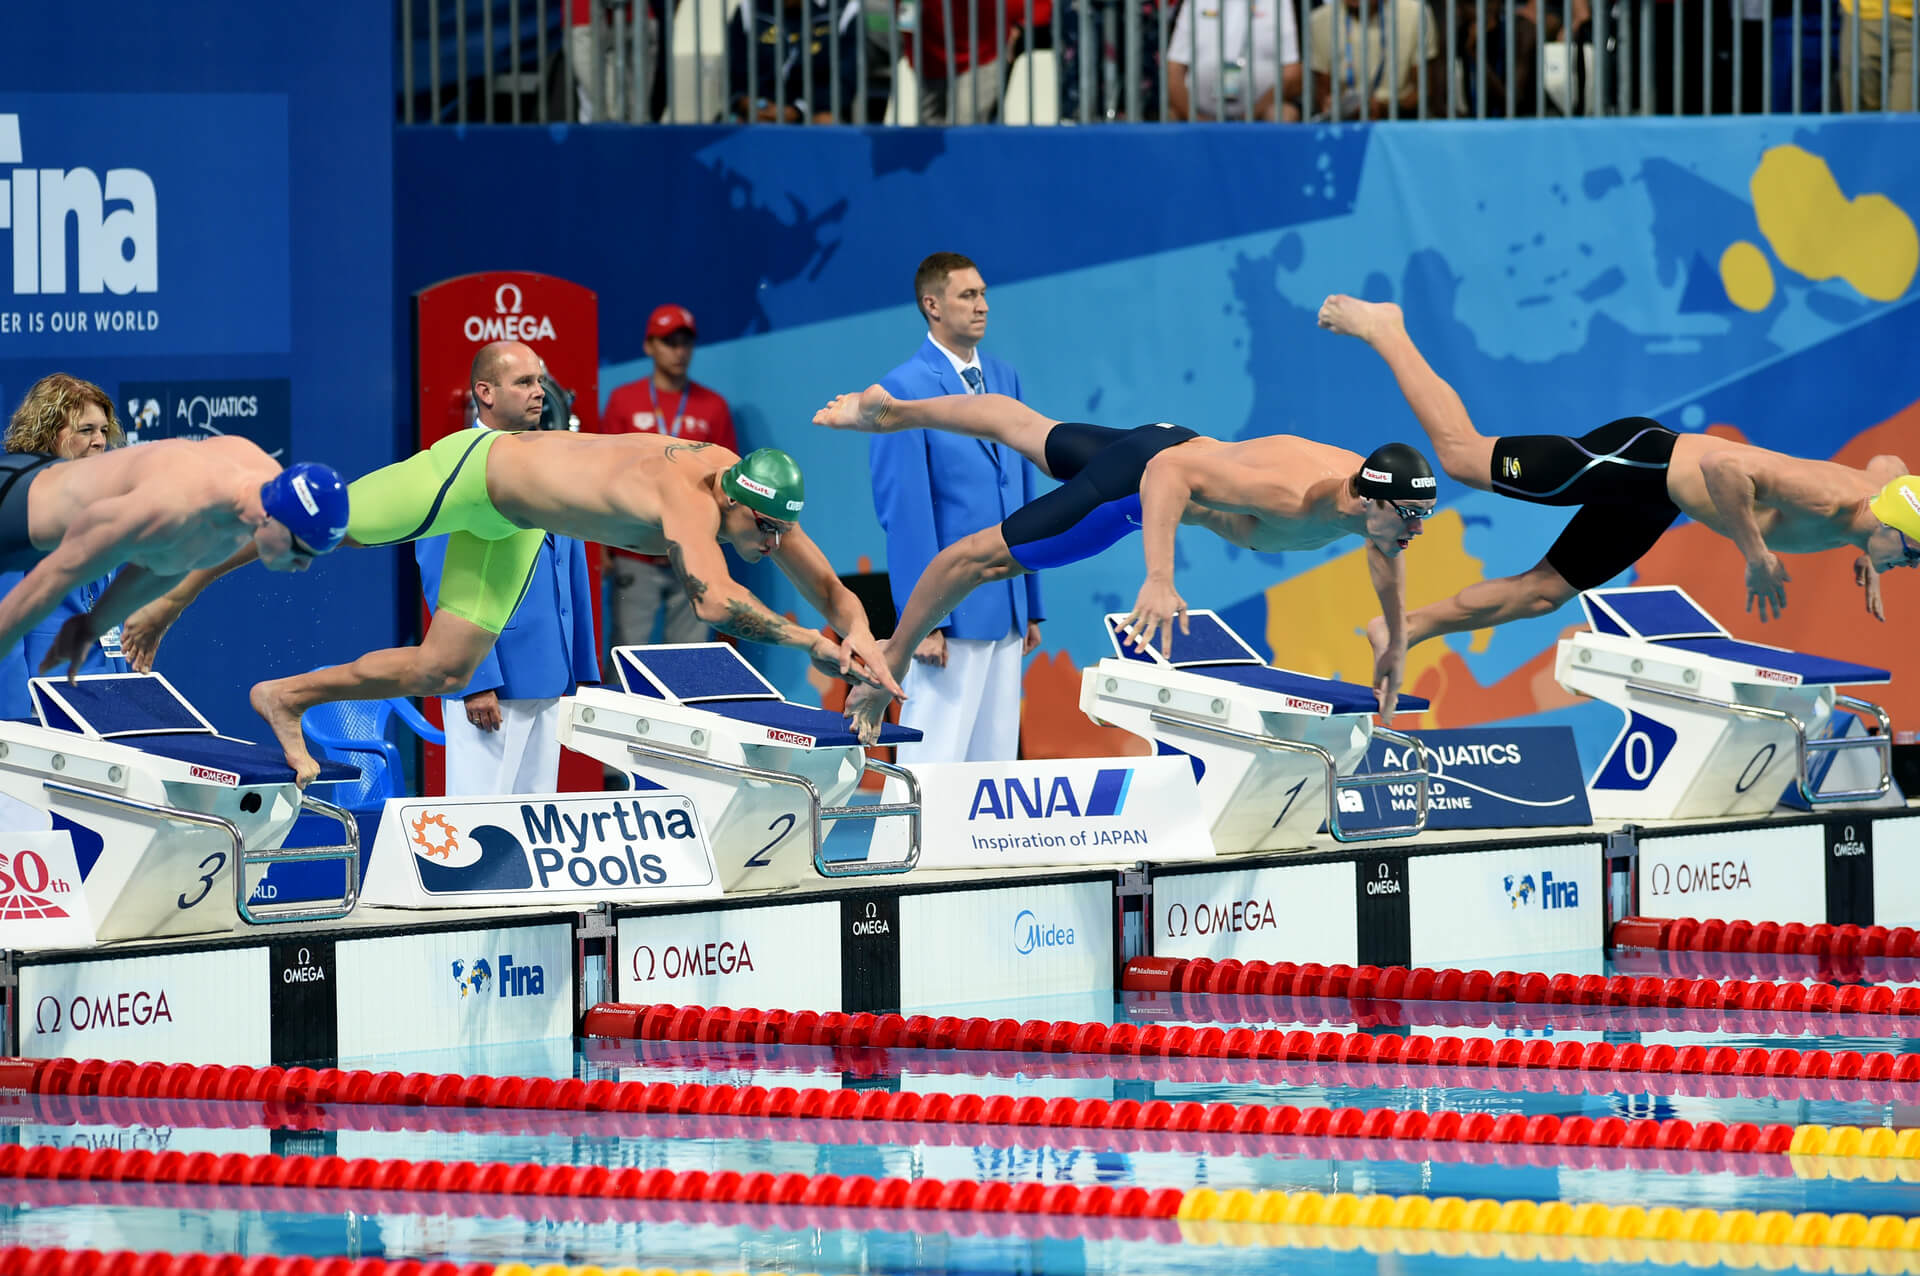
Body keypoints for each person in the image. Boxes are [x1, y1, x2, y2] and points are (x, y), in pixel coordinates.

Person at [124, 340, 901, 786]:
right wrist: (810, 644)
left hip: (519, 523)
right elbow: (714, 600)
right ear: (734, 501)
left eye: (776, 535)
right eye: (763, 532)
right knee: (305, 528)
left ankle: (286, 696)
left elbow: (834, 591)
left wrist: (863, 641)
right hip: (474, 476)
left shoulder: (750, 493)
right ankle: (170, 598)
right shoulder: (690, 495)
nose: (770, 546)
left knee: (442, 668)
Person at [1314, 293, 1920, 667]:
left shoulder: (1875, 505)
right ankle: (1384, 327)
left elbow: (1890, 467)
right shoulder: (1832, 498)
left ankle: (1405, 629)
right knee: (1461, 456)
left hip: (1653, 502)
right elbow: (1722, 466)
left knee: (1542, 595)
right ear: (1893, 523)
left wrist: (1869, 549)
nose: (1911, 567)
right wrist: (1755, 554)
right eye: (1912, 555)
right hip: (1643, 460)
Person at [815, 384, 1436, 742]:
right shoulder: (1291, 496)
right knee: (973, 561)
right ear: (1369, 498)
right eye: (1408, 514)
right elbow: (1166, 473)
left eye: (1421, 517)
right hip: (1139, 482)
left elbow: (1385, 550)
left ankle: (896, 411)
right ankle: (886, 667)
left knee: (1032, 429)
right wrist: (1160, 578)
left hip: (1166, 435)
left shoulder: (1369, 498)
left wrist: (1398, 638)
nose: (1414, 529)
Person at [872, 253, 1043, 764]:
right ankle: (913, 846)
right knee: (936, 756)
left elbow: (1023, 491)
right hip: (948, 610)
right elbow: (904, 514)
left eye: (984, 294)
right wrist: (922, 622)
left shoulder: (1005, 378)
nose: (983, 306)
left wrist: (1029, 601)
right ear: (932, 305)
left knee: (995, 764)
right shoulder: (900, 390)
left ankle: (983, 846)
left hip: (1006, 605)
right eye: (968, 296)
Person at [0, 432, 342, 680]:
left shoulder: (258, 489)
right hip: (14, 512)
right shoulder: (171, 506)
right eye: (301, 551)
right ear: (272, 520)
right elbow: (57, 573)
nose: (303, 565)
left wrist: (94, 624)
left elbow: (167, 564)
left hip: (40, 519)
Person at [596, 304, 737, 658]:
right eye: (668, 342)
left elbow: (729, 482)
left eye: (685, 342)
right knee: (626, 655)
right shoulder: (623, 401)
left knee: (690, 660)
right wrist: (599, 543)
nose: (679, 351)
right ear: (649, 346)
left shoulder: (713, 407)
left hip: (692, 553)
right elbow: (601, 475)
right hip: (634, 548)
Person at [0, 374, 132, 718]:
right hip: (44, 705)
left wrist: (128, 692)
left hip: (107, 701)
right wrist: (14, 721)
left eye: (104, 430)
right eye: (86, 430)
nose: (100, 441)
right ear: (47, 434)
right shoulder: (18, 505)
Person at [725, 0, 862, 122]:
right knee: (732, 124)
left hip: (815, 110)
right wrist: (748, 103)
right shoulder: (749, 8)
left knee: (826, 122)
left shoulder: (845, 8)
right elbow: (734, 74)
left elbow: (846, 79)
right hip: (759, 111)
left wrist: (799, 110)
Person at [1167, 0, 1303, 121]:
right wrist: (1196, 119)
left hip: (1260, 111)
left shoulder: (1280, 3)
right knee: (1168, 118)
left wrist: (1250, 115)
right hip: (1199, 111)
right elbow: (1173, 70)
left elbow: (1292, 73)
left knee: (1284, 114)